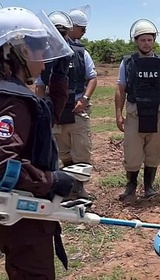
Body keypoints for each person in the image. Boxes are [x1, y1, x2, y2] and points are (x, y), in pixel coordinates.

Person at [0, 6, 76, 279]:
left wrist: (59, 79)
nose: (44, 62)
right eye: (41, 51)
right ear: (19, 49)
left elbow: (44, 120)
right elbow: (3, 164)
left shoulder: (15, 94)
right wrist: (51, 181)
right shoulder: (12, 100)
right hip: (22, 218)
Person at [36, 7, 98, 200]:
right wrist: (42, 110)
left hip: (77, 109)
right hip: (55, 112)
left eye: (62, 31)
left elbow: (92, 78)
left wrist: (84, 99)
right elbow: (40, 84)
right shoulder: (44, 55)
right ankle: (68, 187)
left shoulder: (80, 52)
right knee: (62, 151)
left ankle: (80, 189)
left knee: (82, 150)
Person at [115, 18, 160, 200]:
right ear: (136, 41)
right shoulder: (127, 63)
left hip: (158, 112)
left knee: (155, 151)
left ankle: (149, 186)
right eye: (142, 40)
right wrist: (118, 114)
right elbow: (120, 89)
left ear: (154, 40)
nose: (146, 43)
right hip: (135, 113)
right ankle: (131, 185)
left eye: (150, 39)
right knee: (132, 152)